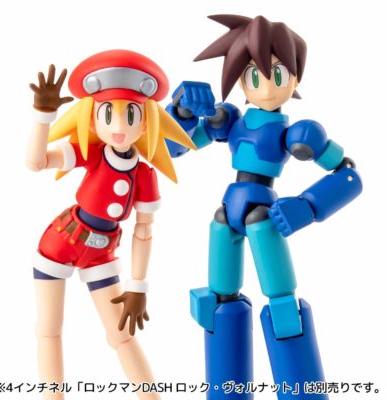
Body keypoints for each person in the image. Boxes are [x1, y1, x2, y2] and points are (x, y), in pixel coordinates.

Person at [166, 15, 362, 400]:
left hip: (264, 216)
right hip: (227, 214)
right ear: (241, 80)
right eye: (254, 75)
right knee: (218, 304)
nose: (266, 86)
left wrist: (308, 206)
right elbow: (176, 147)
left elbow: (348, 174)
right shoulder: (230, 121)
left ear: (294, 79)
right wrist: (183, 112)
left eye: (277, 73)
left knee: (284, 307)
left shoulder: (297, 133)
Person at [27, 49, 194, 400]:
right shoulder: (89, 153)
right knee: (49, 329)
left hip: (103, 251)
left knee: (122, 335)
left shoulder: (145, 175)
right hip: (61, 241)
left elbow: (144, 232)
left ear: (145, 121)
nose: (119, 127)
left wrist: (138, 287)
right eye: (108, 114)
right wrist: (43, 117)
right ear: (92, 119)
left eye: (130, 114)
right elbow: (37, 162)